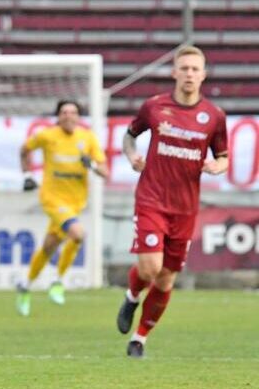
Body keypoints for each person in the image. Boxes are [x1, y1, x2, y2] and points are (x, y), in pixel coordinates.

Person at [116, 45, 228, 358]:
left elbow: (223, 157)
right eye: (185, 68)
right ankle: (132, 294)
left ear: (203, 75)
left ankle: (139, 338)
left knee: (166, 279)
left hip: (186, 207)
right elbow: (129, 135)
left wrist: (217, 166)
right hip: (152, 198)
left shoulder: (215, 117)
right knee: (151, 268)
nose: (190, 74)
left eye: (195, 69)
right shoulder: (154, 106)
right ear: (174, 72)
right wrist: (131, 156)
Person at [15, 100, 108, 316]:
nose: (68, 116)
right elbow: (24, 149)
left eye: (73, 112)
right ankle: (58, 281)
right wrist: (27, 175)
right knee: (78, 235)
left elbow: (105, 171)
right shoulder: (48, 135)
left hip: (75, 202)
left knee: (50, 246)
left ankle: (26, 286)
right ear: (58, 116)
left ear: (78, 117)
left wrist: (92, 166)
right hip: (52, 198)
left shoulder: (88, 138)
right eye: (64, 112)